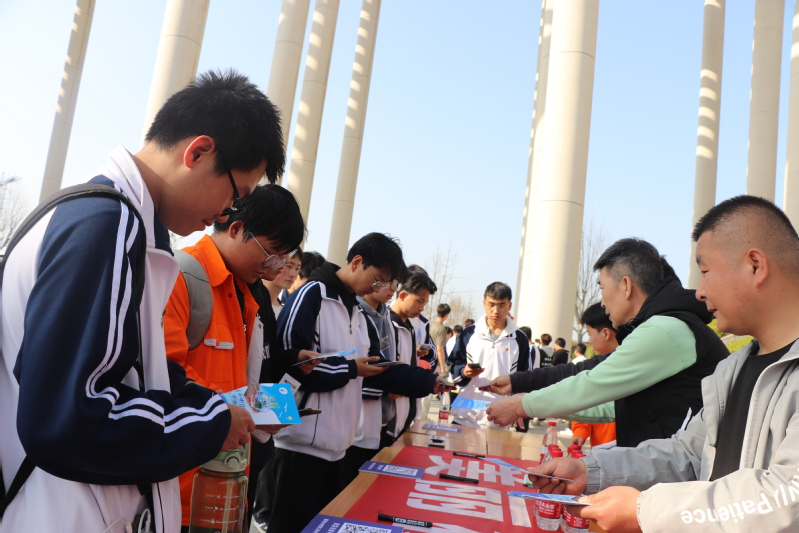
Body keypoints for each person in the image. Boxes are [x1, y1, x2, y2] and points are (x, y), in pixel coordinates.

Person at [0, 70, 280, 533]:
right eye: (236, 195)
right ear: (199, 152)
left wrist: (213, 408)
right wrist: (209, 424)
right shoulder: (107, 224)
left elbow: (137, 374)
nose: (226, 214)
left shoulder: (107, 220)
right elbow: (68, 419)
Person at [532, 196, 799, 533]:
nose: (699, 292)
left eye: (705, 272)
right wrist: (591, 471)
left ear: (755, 266)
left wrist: (647, 510)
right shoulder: (733, 370)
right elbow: (688, 455)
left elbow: (787, 496)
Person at [265, 233, 450, 533]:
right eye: (378, 280)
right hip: (298, 446)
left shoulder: (358, 313)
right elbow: (288, 367)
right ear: (357, 262)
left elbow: (379, 369)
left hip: (338, 446)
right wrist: (350, 369)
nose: (379, 289)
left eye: (385, 284)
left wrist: (429, 381)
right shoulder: (312, 295)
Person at [486, 238, 729, 447]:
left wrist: (522, 405)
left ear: (626, 286)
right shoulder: (665, 326)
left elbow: (592, 385)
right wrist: (524, 391)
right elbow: (611, 404)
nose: (602, 303)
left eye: (602, 288)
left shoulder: (664, 329)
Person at [162, 185, 308, 531]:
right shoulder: (180, 277)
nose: (275, 269)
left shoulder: (244, 294)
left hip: (228, 484)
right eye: (271, 255)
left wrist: (257, 411)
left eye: (283, 261)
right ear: (237, 228)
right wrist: (229, 412)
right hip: (179, 494)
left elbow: (237, 381)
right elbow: (163, 377)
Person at [448, 282, 531, 429]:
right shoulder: (469, 334)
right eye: (491, 304)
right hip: (464, 416)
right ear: (484, 303)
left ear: (509, 306)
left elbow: (525, 378)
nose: (495, 310)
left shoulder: (519, 339)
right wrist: (464, 372)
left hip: (498, 419)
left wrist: (519, 408)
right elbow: (454, 366)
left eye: (501, 305)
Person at [381, 272, 442, 446]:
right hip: (387, 421)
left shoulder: (412, 328)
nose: (422, 308)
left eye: (425, 302)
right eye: (419, 301)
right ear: (402, 295)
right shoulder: (385, 324)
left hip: (406, 416)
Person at [264, 247, 302, 317]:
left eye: (297, 269)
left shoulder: (286, 310)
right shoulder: (252, 301)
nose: (293, 274)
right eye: (289, 266)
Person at [429, 303, 451, 374]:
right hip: (435, 363)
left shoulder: (429, 324)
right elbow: (440, 349)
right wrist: (443, 367)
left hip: (427, 360)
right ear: (447, 315)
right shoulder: (441, 328)